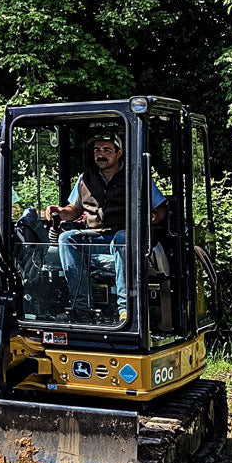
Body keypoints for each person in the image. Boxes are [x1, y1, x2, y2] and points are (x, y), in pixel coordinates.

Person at [46, 133, 166, 324]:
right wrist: (60, 211)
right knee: (67, 238)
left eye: (107, 150)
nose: (101, 155)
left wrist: (151, 218)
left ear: (119, 153)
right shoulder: (85, 178)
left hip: (128, 238)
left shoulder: (136, 176)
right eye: (97, 150)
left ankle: (126, 309)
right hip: (97, 237)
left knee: (121, 238)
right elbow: (74, 210)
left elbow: (160, 209)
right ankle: (81, 308)